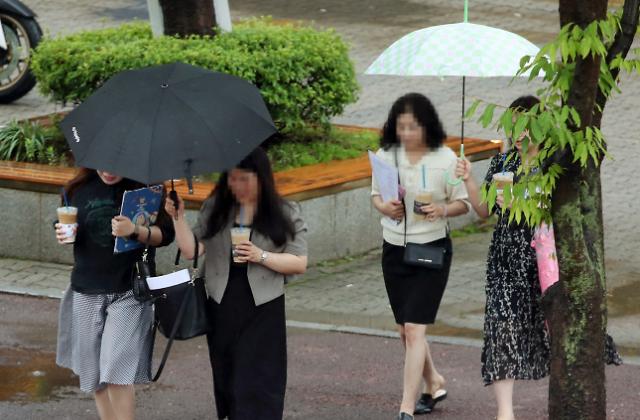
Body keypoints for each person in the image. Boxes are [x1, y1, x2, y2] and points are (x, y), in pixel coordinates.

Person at [457, 95, 622, 420]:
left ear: (539, 127)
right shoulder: (501, 164)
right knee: (501, 327)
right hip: (506, 259)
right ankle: (505, 413)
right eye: (513, 126)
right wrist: (468, 179)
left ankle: (573, 395)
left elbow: (565, 210)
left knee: (557, 326)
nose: (518, 134)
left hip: (545, 260)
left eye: (525, 126)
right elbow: (482, 211)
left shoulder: (554, 165)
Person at [164, 147, 308, 420]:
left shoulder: (285, 211)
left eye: (244, 179)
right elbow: (191, 250)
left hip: (264, 308)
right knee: (228, 379)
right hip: (222, 304)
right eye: (232, 178)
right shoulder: (217, 207)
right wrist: (178, 217)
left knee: (260, 383)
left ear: (261, 178)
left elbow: (299, 262)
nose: (237, 185)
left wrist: (260, 255)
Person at [371, 93, 471, 420]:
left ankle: (406, 408)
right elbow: (375, 196)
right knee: (404, 329)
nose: (406, 134)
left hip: (430, 247)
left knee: (415, 329)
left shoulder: (445, 159)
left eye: (412, 127)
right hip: (393, 248)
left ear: (426, 126)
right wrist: (385, 206)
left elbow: (463, 203)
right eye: (400, 127)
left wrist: (442, 209)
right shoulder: (387, 156)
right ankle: (434, 381)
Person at [54, 168, 175, 420]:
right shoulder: (77, 189)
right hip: (86, 288)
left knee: (117, 370)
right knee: (94, 373)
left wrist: (135, 230)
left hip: (129, 290)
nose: (108, 171)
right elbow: (64, 222)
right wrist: (62, 231)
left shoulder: (146, 190)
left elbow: (165, 236)